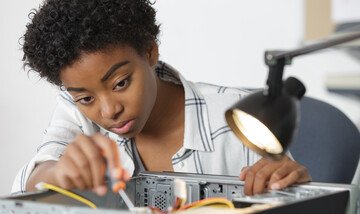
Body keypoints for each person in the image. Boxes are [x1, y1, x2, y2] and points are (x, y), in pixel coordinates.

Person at [12, 0, 311, 196]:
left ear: (150, 52)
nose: (109, 110)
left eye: (120, 83)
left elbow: (289, 210)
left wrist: (292, 189)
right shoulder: (75, 113)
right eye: (86, 98)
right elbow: (35, 177)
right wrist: (56, 175)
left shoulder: (240, 123)